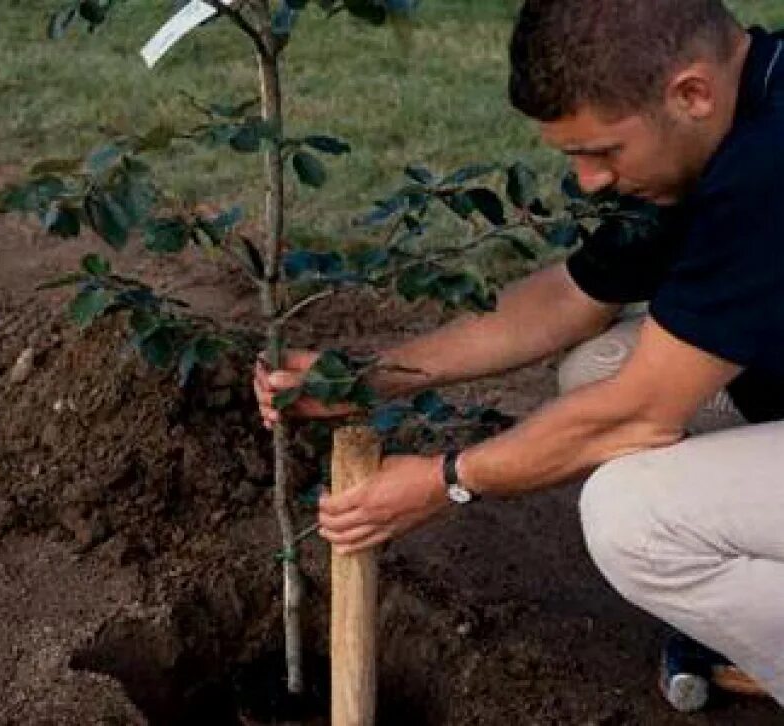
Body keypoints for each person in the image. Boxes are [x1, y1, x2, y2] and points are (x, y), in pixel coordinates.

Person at [254, 0, 784, 709]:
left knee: (634, 519)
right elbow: (571, 298)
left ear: (691, 92)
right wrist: (373, 378)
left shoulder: (767, 168)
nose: (590, 181)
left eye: (602, 152)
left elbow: (636, 419)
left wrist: (446, 479)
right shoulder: (722, 120)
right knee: (597, 370)